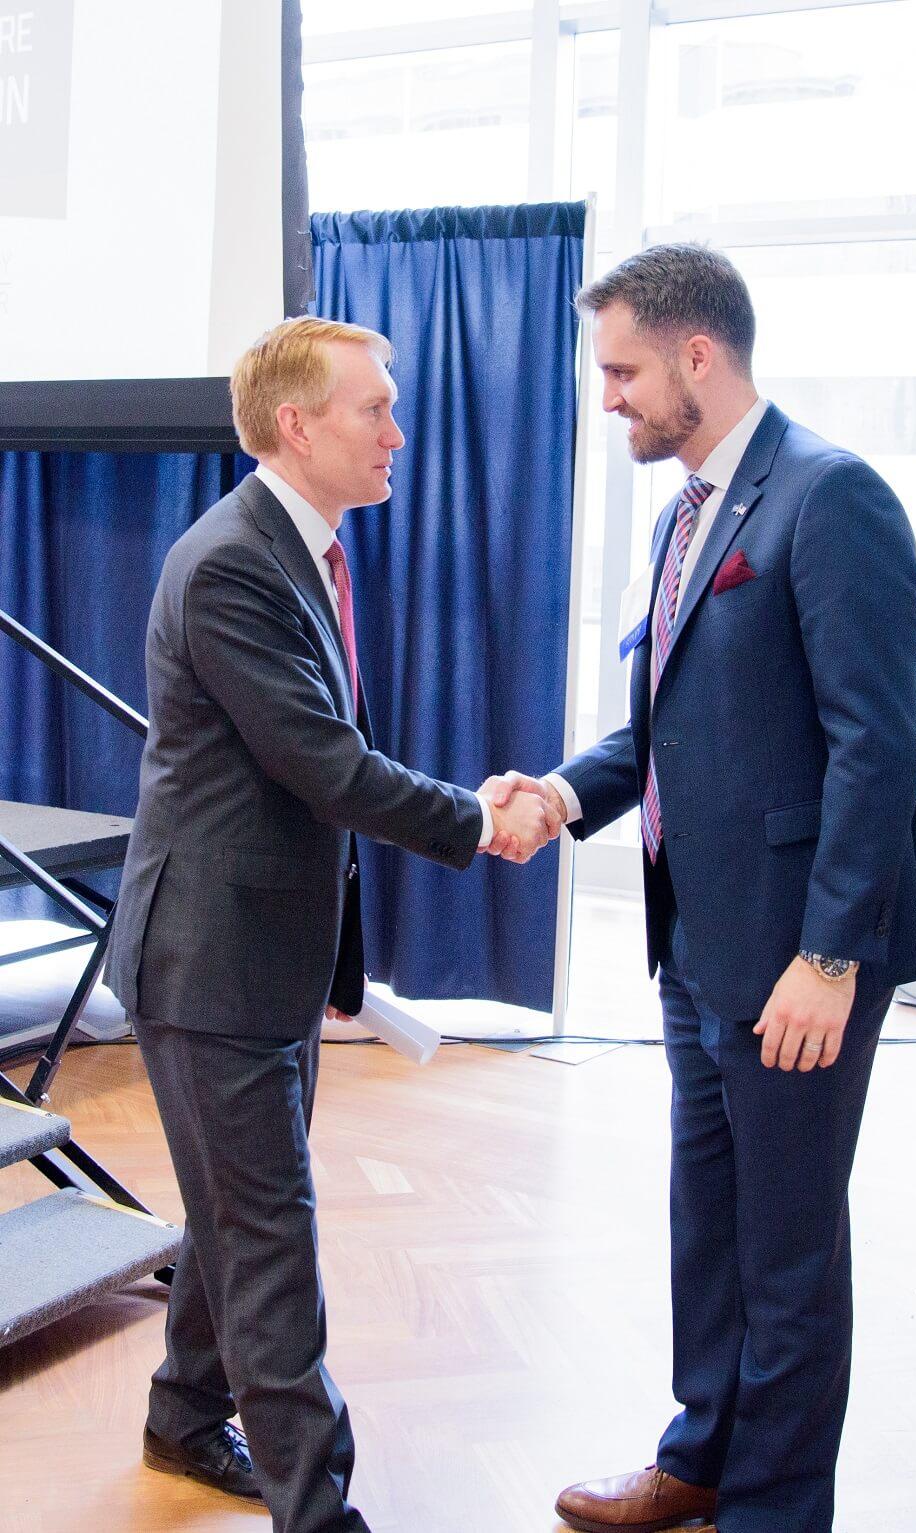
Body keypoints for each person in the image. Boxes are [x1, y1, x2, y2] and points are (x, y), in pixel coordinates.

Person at [489, 244, 916, 1533]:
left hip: (801, 957)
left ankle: (776, 1510)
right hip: (696, 944)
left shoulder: (830, 495)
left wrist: (832, 957)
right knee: (711, 1220)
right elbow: (663, 726)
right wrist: (563, 796)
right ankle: (701, 1457)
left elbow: (876, 743)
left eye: (623, 370)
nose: (610, 397)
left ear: (699, 355)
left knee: (789, 1249)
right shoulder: (685, 512)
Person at [104, 316, 555, 1533]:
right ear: (297, 426)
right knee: (268, 1236)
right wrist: (478, 818)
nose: (397, 433)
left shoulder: (297, 547)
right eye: (375, 411)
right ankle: (320, 1513)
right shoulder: (234, 564)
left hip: (260, 953)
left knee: (234, 1208)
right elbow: (323, 762)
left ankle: (185, 1418)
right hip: (208, 962)